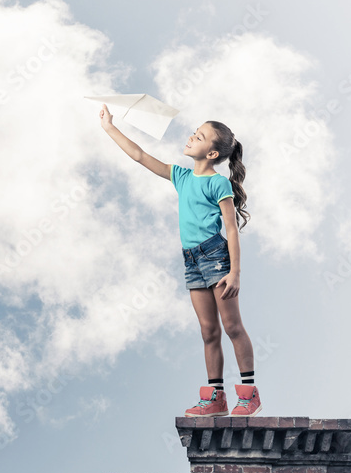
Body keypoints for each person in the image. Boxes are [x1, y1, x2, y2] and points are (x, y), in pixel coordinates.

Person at [99, 104, 261, 417]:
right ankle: (216, 398)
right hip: (192, 261)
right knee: (208, 331)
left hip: (216, 256)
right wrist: (109, 127)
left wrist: (236, 273)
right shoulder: (181, 176)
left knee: (232, 326)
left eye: (199, 136)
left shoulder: (218, 183)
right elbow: (140, 156)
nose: (191, 137)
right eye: (194, 132)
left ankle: (249, 394)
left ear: (212, 153)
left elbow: (231, 229)